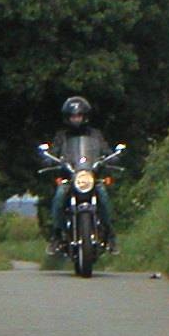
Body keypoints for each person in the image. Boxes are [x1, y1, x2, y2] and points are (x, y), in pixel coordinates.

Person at [45, 95, 117, 252]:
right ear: (67, 118)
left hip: (91, 176)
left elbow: (105, 150)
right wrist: (51, 159)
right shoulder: (62, 136)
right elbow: (53, 153)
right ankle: (57, 235)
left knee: (103, 196)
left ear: (85, 116)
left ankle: (109, 233)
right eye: (73, 116)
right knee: (58, 197)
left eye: (79, 116)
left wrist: (111, 157)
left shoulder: (95, 135)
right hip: (70, 177)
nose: (76, 119)